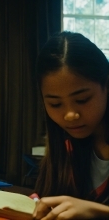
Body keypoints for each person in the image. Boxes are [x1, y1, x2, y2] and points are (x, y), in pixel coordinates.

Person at [33, 31, 109, 219]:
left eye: (82, 100)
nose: (70, 115)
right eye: (55, 104)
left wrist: (99, 212)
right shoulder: (66, 144)